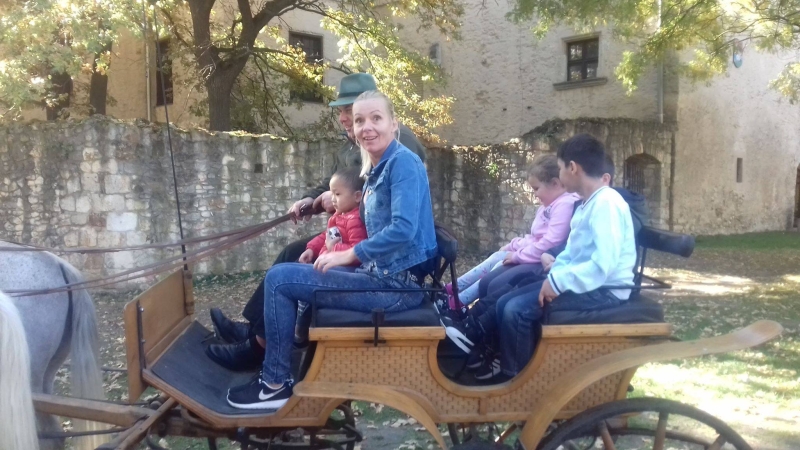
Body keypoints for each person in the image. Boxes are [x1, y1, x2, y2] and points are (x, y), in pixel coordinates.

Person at [226, 90, 437, 409]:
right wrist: (322, 245)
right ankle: (279, 360)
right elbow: (349, 219)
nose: (367, 127)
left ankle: (274, 385)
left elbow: (403, 229)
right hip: (379, 276)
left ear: (394, 124)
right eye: (360, 120)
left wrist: (350, 255)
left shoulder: (403, 163)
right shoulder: (378, 166)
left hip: (395, 286)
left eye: (376, 118)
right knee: (286, 271)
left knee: (280, 280)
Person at [462, 134, 637, 382]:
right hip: (585, 284)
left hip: (604, 291)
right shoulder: (589, 203)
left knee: (515, 310)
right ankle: (496, 356)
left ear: (572, 168)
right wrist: (555, 271)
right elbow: (573, 252)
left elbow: (602, 266)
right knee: (504, 302)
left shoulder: (607, 204)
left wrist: (557, 282)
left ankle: (515, 381)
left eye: (561, 167)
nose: (560, 173)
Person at [442, 155, 579, 357]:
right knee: (495, 261)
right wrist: (514, 246)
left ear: (555, 184)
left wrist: (517, 256)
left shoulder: (565, 205)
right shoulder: (548, 206)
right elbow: (534, 238)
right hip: (534, 254)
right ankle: (453, 294)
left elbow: (550, 242)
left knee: (496, 281)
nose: (535, 195)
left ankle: (460, 306)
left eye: (536, 188)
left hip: (542, 260)